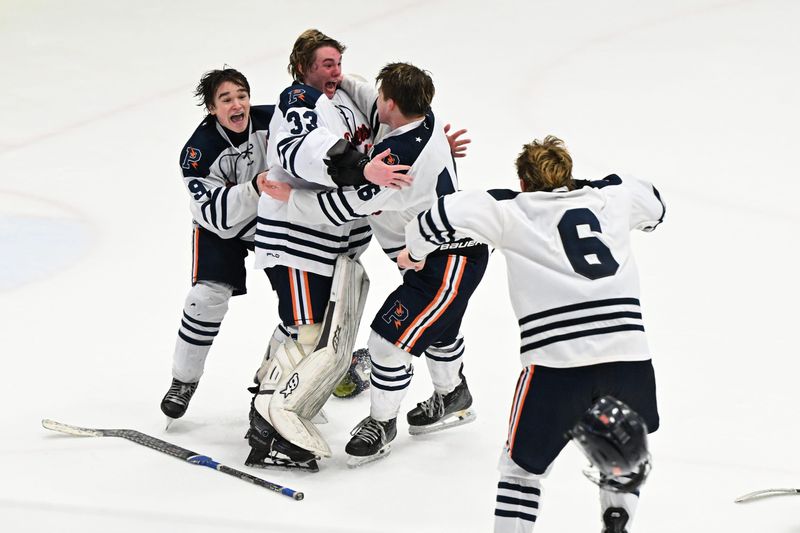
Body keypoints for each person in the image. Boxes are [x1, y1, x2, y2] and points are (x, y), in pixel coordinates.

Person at [397, 136, 664, 533]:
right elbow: (656, 206)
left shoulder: (508, 208)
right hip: (629, 359)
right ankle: (616, 519)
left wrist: (414, 254)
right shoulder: (612, 196)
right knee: (619, 455)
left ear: (523, 182)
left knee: (520, 471)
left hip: (557, 366)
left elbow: (432, 220)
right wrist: (581, 190)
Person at [259, 61, 489, 468]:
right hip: (441, 254)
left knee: (387, 339)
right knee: (437, 329)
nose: (374, 100)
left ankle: (381, 424)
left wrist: (289, 199)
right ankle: (453, 395)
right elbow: (369, 95)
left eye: (382, 97)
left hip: (445, 258)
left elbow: (344, 206)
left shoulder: (396, 162)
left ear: (393, 105)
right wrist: (334, 80)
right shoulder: (422, 118)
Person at [245, 29, 411, 472]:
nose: (335, 71)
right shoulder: (298, 100)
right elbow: (301, 149)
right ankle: (268, 429)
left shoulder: (345, 100)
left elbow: (380, 133)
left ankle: (269, 395)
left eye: (338, 62)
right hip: (296, 239)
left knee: (309, 331)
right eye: (325, 64)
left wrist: (427, 144)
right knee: (308, 333)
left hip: (333, 242)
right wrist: (361, 168)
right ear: (303, 68)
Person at [160, 68, 274, 426]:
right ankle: (183, 381)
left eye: (242, 95)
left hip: (271, 219)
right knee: (205, 298)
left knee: (303, 301)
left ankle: (274, 383)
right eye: (226, 99)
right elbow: (218, 216)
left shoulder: (275, 119)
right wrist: (256, 187)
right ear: (212, 108)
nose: (237, 104)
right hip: (218, 227)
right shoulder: (198, 152)